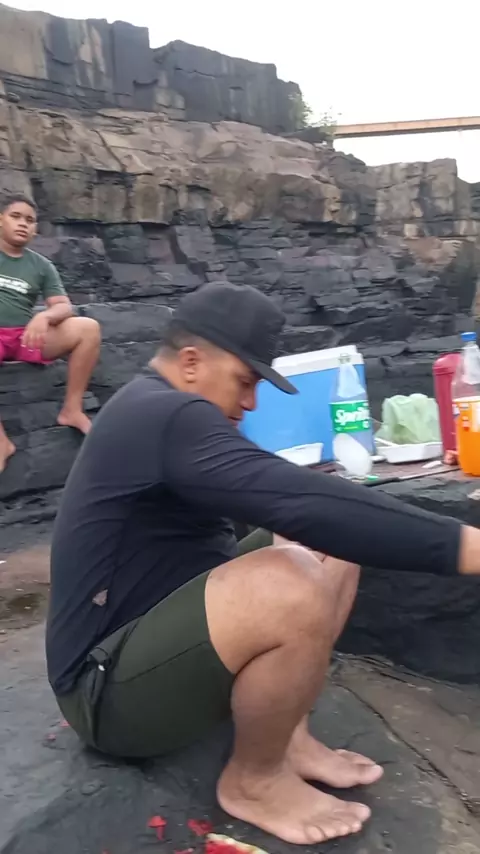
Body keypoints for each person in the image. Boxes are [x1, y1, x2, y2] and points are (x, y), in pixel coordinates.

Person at [47, 282, 480, 846]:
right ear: (192, 362)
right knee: (291, 578)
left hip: (152, 641)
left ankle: (286, 737)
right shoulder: (164, 414)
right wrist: (465, 546)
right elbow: (299, 500)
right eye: (246, 382)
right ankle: (255, 781)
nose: (250, 404)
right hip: (103, 694)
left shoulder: (156, 407)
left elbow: (305, 512)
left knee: (329, 544)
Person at [0, 193, 101, 471]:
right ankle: (2, 442)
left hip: (24, 336)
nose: (23, 224)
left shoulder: (41, 265)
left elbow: (63, 306)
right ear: (1, 220)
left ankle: (72, 409)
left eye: (30, 220)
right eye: (16, 217)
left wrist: (44, 316)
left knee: (88, 328)